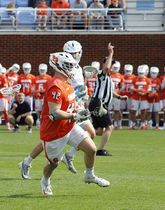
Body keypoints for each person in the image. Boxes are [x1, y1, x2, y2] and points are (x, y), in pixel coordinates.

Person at [18, 40, 97, 179]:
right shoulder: (63, 70)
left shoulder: (78, 69)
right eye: (71, 53)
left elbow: (72, 89)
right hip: (64, 110)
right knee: (48, 140)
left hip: (74, 107)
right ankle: (27, 162)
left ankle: (69, 156)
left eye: (76, 53)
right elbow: (61, 90)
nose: (74, 56)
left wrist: (82, 94)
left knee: (91, 133)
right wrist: (78, 94)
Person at [39, 52, 109, 196]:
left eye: (72, 66)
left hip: (69, 126)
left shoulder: (67, 83)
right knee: (53, 164)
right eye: (68, 66)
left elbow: (71, 105)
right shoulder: (55, 86)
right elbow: (54, 113)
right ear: (59, 66)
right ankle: (45, 181)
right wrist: (76, 115)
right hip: (54, 132)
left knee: (91, 149)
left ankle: (89, 175)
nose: (72, 69)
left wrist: (83, 110)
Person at [89, 43, 128, 156]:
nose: (111, 66)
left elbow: (110, 92)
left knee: (99, 131)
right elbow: (106, 68)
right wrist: (110, 53)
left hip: (97, 103)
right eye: (111, 64)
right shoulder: (102, 74)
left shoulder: (108, 77)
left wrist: (120, 97)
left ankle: (79, 136)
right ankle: (100, 150)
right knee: (109, 127)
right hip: (99, 103)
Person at [129, 65, 151, 130]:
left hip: (143, 98)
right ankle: (133, 124)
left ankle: (142, 124)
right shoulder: (134, 79)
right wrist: (137, 91)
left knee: (143, 111)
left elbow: (149, 88)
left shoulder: (147, 80)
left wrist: (144, 92)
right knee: (133, 111)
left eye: (142, 73)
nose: (141, 74)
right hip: (135, 97)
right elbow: (131, 87)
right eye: (140, 73)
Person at [33, 63, 52, 130]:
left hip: (45, 97)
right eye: (41, 70)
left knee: (45, 110)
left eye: (43, 70)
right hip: (38, 97)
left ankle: (45, 123)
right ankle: (38, 122)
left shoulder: (49, 78)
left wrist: (41, 91)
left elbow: (49, 88)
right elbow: (33, 89)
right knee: (38, 110)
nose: (42, 71)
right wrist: (36, 93)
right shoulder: (36, 78)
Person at [0, 65, 12, 131]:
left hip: (3, 96)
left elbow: (6, 86)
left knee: (5, 111)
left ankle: (8, 125)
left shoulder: (3, 77)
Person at [109, 61, 123, 130]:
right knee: (108, 109)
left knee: (117, 110)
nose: (115, 69)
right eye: (114, 67)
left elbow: (123, 86)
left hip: (117, 95)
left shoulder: (120, 76)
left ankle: (115, 124)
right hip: (110, 94)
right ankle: (108, 123)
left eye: (116, 68)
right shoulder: (109, 74)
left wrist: (118, 91)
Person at [120, 64, 135, 129]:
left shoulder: (134, 77)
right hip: (122, 96)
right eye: (127, 71)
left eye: (129, 71)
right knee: (120, 110)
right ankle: (119, 124)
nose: (128, 72)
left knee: (131, 111)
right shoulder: (121, 76)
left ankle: (130, 124)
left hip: (130, 96)